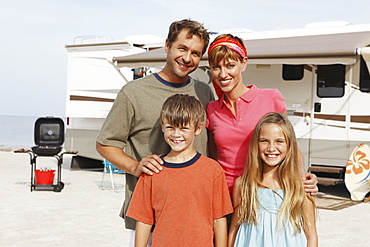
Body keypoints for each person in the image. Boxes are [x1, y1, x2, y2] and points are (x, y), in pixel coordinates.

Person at [96, 19, 214, 243]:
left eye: (196, 53)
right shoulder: (133, 93)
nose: (187, 58)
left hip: (195, 217)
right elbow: (105, 144)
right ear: (167, 45)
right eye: (182, 48)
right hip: (149, 219)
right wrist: (135, 166)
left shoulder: (203, 92)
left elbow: (211, 145)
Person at [206, 34, 317, 195]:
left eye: (230, 65)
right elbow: (214, 159)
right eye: (216, 67)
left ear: (243, 64)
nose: (223, 74)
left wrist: (303, 176)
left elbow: (291, 147)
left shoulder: (271, 98)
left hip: (263, 193)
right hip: (224, 196)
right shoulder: (211, 109)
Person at [126, 94, 233, 247]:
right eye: (170, 127)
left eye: (184, 128)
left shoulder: (212, 170)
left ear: (198, 128)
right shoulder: (152, 170)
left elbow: (219, 219)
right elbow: (144, 220)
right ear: (162, 126)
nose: (176, 134)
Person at [228, 112, 318, 247]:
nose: (271, 148)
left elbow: (311, 236)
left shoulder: (300, 187)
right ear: (256, 145)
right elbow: (234, 231)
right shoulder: (244, 185)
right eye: (264, 141)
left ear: (290, 145)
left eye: (279, 141)